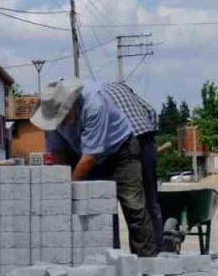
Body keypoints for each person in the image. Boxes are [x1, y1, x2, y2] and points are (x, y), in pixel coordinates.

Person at [31, 77, 157, 257]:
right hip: (86, 155)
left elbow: (90, 157)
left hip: (121, 152)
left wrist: (70, 185)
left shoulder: (94, 104)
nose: (61, 124)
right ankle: (109, 262)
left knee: (134, 207)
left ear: (71, 105)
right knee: (100, 210)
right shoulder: (50, 116)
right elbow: (58, 153)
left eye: (63, 118)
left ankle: (147, 262)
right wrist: (62, 184)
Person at [100, 82, 164, 248]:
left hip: (120, 144)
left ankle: (113, 252)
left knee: (110, 202)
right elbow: (151, 112)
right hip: (145, 136)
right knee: (150, 200)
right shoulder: (120, 87)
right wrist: (149, 141)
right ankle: (155, 250)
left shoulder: (92, 97)